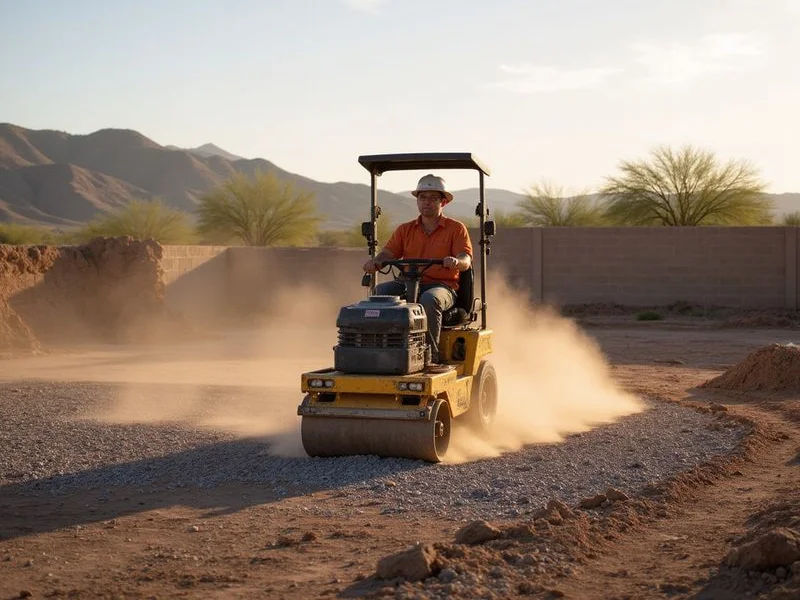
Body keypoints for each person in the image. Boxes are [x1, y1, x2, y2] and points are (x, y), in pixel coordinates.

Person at [363, 174, 472, 364]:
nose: (427, 203)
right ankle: (380, 351)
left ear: (443, 202)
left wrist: (456, 261)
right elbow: (388, 253)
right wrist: (377, 262)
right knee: (379, 294)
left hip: (442, 286)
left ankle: (429, 355)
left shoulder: (456, 229)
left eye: (433, 198)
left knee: (429, 300)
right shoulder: (405, 230)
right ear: (417, 201)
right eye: (422, 198)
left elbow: (466, 259)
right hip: (406, 283)